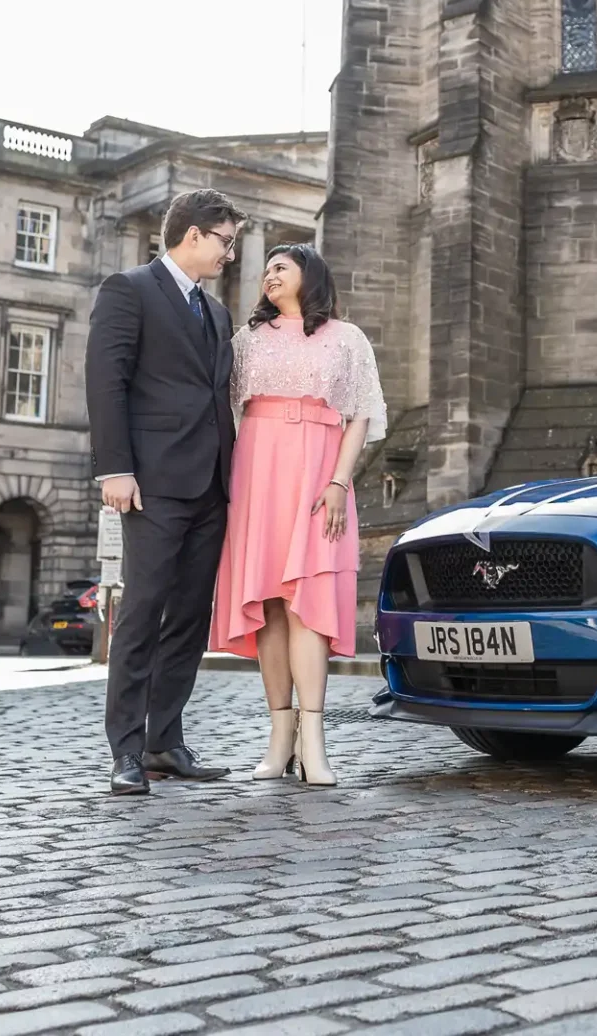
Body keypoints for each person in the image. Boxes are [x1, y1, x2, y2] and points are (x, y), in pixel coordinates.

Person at [86, 189, 246, 797]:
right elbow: (107, 382)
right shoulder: (128, 290)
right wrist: (115, 469)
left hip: (211, 484)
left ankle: (164, 741)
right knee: (142, 612)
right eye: (226, 241)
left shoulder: (217, 313)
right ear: (196, 235)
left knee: (188, 617)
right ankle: (125, 750)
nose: (230, 253)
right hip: (151, 482)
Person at [211, 243, 386, 786]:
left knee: (307, 602)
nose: (269, 275)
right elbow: (222, 409)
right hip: (257, 474)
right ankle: (279, 736)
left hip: (318, 474)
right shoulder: (246, 340)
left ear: (310, 275)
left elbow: (359, 415)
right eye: (265, 269)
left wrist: (338, 481)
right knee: (267, 602)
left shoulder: (347, 339)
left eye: (280, 267)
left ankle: (315, 741)